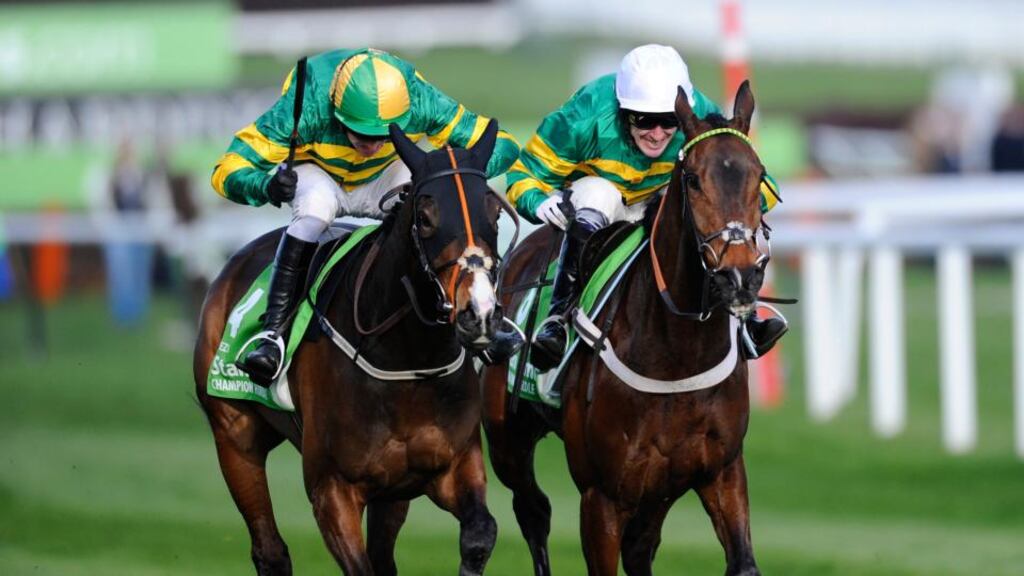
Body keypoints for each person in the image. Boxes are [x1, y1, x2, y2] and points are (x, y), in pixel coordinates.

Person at [212, 48, 521, 385]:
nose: (372, 145)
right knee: (314, 211)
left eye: (382, 135)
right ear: (337, 112)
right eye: (361, 134)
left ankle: (481, 321)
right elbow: (227, 170)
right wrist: (265, 187)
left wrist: (455, 178)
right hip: (319, 175)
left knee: (436, 209)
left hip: (385, 177)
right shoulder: (310, 103)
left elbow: (503, 145)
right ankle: (273, 334)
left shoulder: (421, 100)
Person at [506, 44, 788, 371]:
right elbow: (522, 174)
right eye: (644, 120)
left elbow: (750, 183)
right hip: (600, 205)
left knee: (706, 211)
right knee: (600, 195)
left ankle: (745, 319)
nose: (656, 134)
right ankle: (557, 321)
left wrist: (738, 202)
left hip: (660, 204)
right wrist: (539, 203)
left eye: (668, 121)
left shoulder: (700, 116)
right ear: (624, 110)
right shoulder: (584, 116)